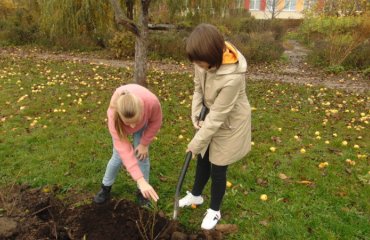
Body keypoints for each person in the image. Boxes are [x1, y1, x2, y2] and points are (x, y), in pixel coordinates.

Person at [179, 23, 252, 230]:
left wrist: (194, 143)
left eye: (202, 65)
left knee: (218, 166)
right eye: (197, 64)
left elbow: (219, 115)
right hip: (210, 115)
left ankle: (214, 210)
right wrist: (195, 114)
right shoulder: (202, 59)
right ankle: (196, 195)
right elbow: (197, 88)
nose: (199, 67)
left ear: (213, 58)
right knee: (203, 157)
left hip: (230, 123)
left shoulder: (233, 77)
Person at [94, 83, 162, 206]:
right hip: (120, 128)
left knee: (142, 156)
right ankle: (105, 188)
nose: (132, 127)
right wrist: (139, 179)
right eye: (128, 123)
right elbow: (125, 152)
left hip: (143, 125)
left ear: (142, 110)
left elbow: (156, 122)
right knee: (117, 157)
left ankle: (143, 193)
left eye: (135, 122)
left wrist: (144, 143)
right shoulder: (113, 116)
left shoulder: (151, 103)